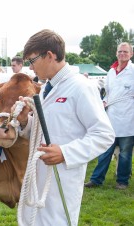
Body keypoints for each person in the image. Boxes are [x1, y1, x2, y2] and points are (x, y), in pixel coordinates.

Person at [14, 29, 115, 226]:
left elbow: (104, 135)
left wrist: (66, 153)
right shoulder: (47, 88)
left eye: (32, 61)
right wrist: (26, 120)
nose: (31, 68)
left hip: (62, 177)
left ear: (49, 55)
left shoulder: (81, 87)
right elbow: (46, 129)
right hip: (39, 176)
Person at [85, 42, 134, 190]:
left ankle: (122, 181)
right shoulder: (111, 72)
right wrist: (104, 100)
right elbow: (105, 89)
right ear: (116, 53)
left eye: (125, 52)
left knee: (125, 154)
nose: (122, 54)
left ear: (131, 54)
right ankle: (96, 179)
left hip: (128, 119)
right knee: (105, 150)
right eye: (120, 51)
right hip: (111, 118)